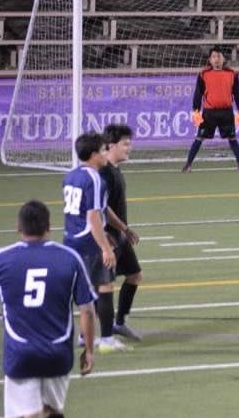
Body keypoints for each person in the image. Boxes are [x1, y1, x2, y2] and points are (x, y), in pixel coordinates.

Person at [0, 200, 96, 418]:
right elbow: (87, 310)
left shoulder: (2, 257)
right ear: (49, 227)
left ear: (18, 227)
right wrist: (89, 350)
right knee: (52, 413)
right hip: (58, 354)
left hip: (20, 354)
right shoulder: (70, 258)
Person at [63, 132, 132, 353]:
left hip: (70, 240)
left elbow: (102, 210)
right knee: (104, 286)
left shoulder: (71, 175)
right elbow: (94, 217)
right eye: (103, 150)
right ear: (93, 155)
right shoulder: (94, 178)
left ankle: (85, 336)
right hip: (88, 241)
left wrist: (123, 228)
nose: (106, 154)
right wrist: (105, 248)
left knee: (87, 289)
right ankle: (107, 339)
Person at [101, 124, 143, 342]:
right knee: (102, 285)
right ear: (111, 145)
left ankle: (119, 323)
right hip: (108, 237)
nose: (129, 148)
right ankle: (86, 333)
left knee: (135, 275)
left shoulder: (115, 170)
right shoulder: (105, 172)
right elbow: (102, 208)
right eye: (125, 144)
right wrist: (123, 229)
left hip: (119, 236)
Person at [182, 46, 239, 173]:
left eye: (219, 56)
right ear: (210, 59)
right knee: (199, 138)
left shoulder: (231, 74)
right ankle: (188, 164)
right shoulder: (204, 74)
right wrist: (196, 110)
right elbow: (198, 94)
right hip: (209, 113)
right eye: (214, 56)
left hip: (226, 112)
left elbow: (237, 93)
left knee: (232, 138)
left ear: (223, 58)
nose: (216, 59)